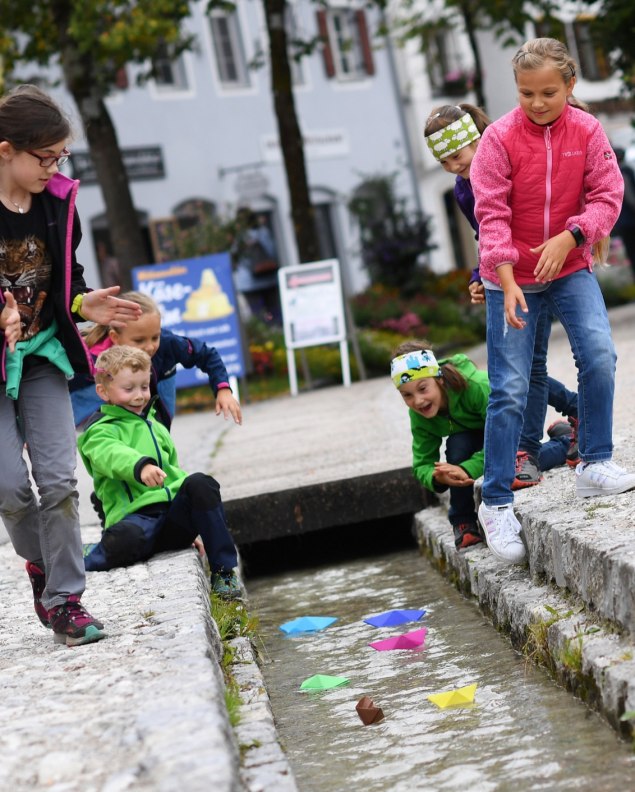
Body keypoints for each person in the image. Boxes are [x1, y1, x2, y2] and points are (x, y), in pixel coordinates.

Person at [470, 37, 635, 564]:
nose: (537, 103)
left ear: (570, 85)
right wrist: (505, 276)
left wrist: (574, 235)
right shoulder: (497, 140)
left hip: (569, 267)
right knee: (512, 388)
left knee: (600, 356)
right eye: (525, 94)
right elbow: (490, 213)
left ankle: (593, 463)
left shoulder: (587, 131)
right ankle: (494, 502)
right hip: (509, 277)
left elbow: (608, 194)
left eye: (547, 92)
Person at [0, 84, 143, 645]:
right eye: (45, 157)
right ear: (5, 149)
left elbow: (68, 282)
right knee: (10, 490)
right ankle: (42, 565)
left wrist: (85, 304)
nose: (54, 167)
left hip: (41, 358)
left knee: (58, 481)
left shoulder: (58, 204)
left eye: (61, 156)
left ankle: (65, 601)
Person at [424, 103, 579, 485]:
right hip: (502, 278)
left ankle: (565, 420)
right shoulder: (463, 188)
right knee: (518, 368)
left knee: (524, 367)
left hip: (539, 266)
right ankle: (571, 418)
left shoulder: (504, 163)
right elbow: (485, 233)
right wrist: (480, 275)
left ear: (476, 141)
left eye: (456, 155)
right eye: (442, 161)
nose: (452, 166)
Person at [77, 345, 241, 599]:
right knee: (126, 540)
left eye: (144, 387)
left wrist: (194, 523)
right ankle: (90, 553)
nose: (139, 396)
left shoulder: (156, 425)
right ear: (103, 391)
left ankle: (224, 572)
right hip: (135, 521)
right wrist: (140, 466)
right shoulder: (98, 431)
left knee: (200, 483)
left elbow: (174, 472)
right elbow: (111, 454)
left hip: (170, 520)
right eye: (128, 389)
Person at [70, 291, 242, 430]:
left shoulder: (167, 344)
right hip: (106, 413)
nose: (150, 346)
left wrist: (223, 390)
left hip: (159, 395)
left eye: (155, 337)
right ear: (115, 337)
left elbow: (206, 354)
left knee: (156, 441)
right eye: (139, 340)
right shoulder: (92, 359)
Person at [231, 207, 280, 324]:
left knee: (257, 313)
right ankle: (277, 333)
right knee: (275, 311)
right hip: (268, 278)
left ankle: (265, 337)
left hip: (247, 282)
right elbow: (272, 251)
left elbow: (234, 256)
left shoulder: (238, 236)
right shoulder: (263, 232)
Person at [612, 146, 635, 278]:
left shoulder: (613, 172)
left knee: (631, 252)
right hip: (631, 220)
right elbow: (631, 196)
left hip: (622, 221)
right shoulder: (625, 171)